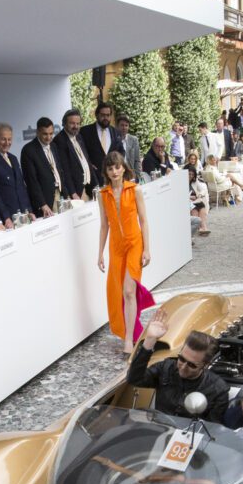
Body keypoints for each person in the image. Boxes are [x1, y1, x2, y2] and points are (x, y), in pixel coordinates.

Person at [96, 152, 154, 355]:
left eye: (117, 167)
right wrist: (100, 253)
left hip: (134, 244)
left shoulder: (135, 189)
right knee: (119, 291)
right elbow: (104, 225)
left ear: (123, 168)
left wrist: (147, 248)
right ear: (106, 172)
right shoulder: (102, 195)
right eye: (110, 168)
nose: (114, 171)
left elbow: (144, 221)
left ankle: (128, 339)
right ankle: (132, 331)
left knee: (129, 291)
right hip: (116, 247)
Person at [126, 307, 229, 420]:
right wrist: (150, 340)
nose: (183, 367)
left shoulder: (218, 390)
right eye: (181, 359)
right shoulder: (166, 368)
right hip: (160, 428)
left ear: (206, 365)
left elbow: (212, 427)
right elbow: (134, 379)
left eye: (192, 365)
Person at [20, 118, 60, 218]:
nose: (48, 137)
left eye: (51, 133)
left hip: (59, 194)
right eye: (45, 134)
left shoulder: (54, 146)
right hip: (44, 203)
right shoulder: (28, 150)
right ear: (37, 132)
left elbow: (60, 171)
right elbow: (31, 181)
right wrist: (42, 204)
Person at [53, 109, 95, 199]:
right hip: (76, 193)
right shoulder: (59, 140)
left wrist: (96, 185)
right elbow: (64, 170)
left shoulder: (79, 136)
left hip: (87, 188)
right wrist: (72, 193)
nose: (75, 126)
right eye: (72, 123)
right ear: (64, 124)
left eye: (78, 123)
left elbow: (86, 160)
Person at [80, 102, 125, 172]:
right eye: (103, 115)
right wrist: (88, 164)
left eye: (108, 115)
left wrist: (118, 165)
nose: (105, 118)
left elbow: (121, 151)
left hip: (112, 174)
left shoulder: (116, 132)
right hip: (93, 174)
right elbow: (81, 152)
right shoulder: (85, 132)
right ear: (96, 115)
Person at [117, 114, 142, 180]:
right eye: (122, 125)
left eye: (126, 125)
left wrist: (137, 176)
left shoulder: (134, 140)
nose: (124, 128)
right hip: (118, 174)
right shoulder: (114, 140)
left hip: (131, 174)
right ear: (117, 126)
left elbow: (137, 160)